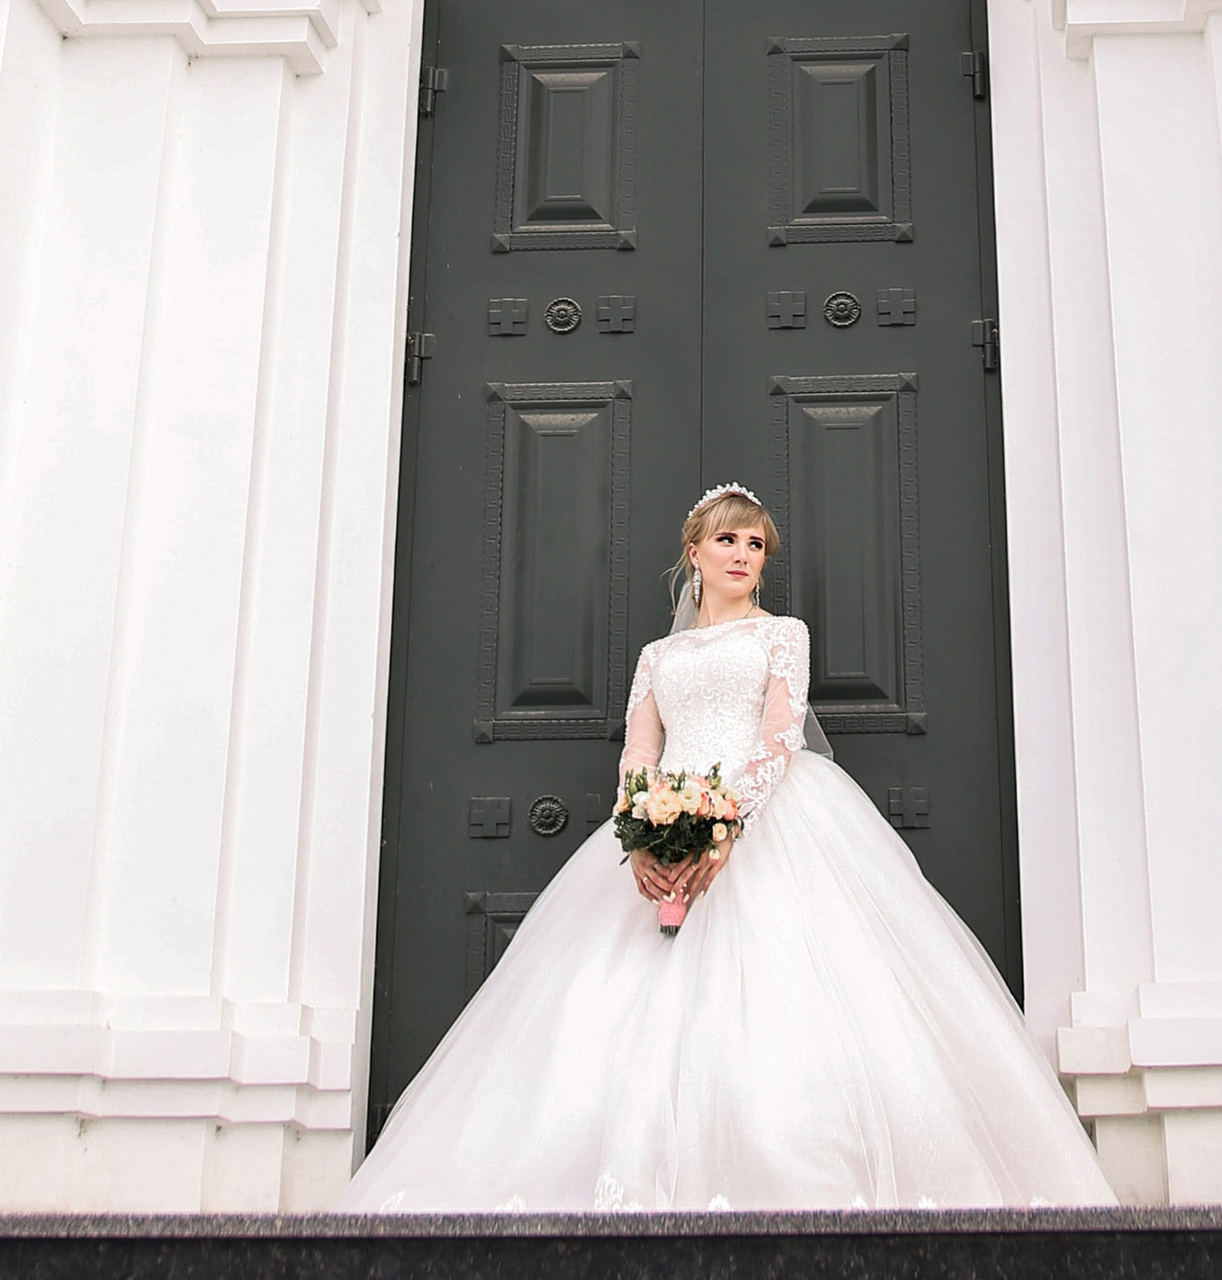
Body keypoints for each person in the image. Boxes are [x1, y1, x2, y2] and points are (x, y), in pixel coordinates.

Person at [347, 483, 1113, 1210]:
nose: (743, 554)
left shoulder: (782, 636)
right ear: (695, 551)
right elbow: (639, 750)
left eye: (756, 544)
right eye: (727, 539)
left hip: (771, 817)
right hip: (667, 820)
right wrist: (641, 833)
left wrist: (725, 823)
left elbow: (782, 733)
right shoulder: (659, 655)